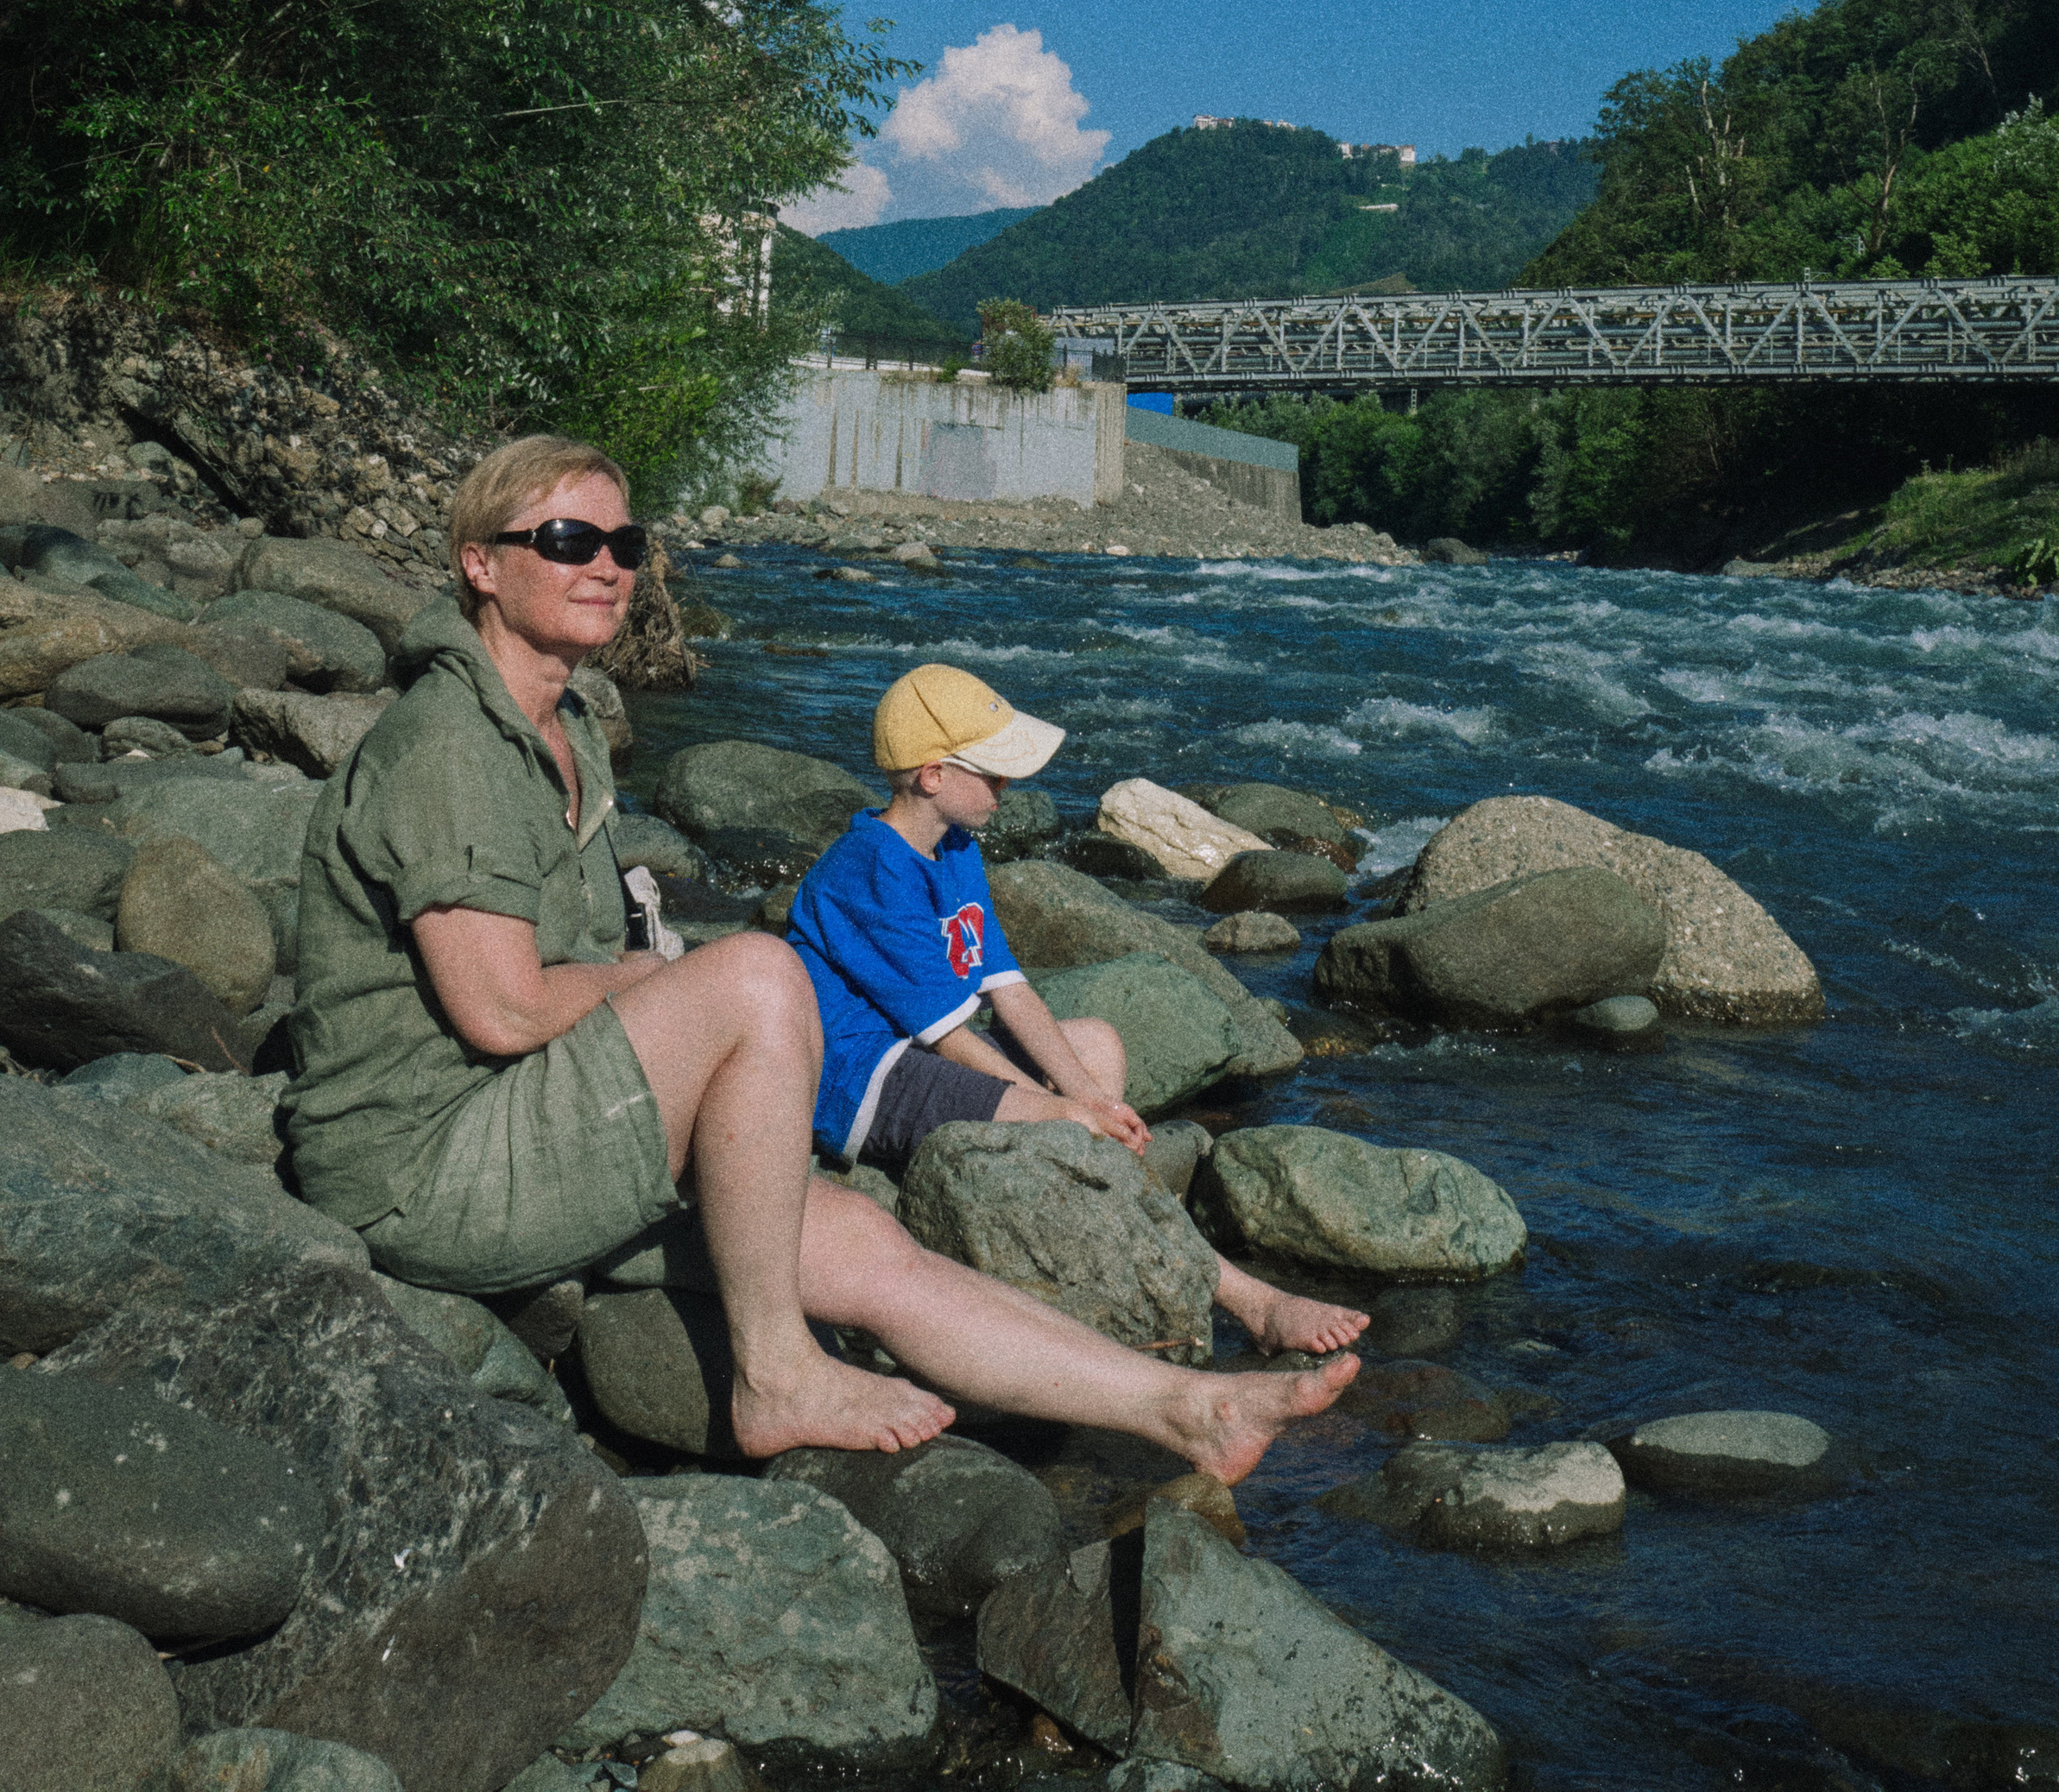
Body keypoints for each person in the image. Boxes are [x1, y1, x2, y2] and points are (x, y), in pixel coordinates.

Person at [281, 435, 1360, 1470]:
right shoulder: (452, 748)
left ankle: (1189, 1409)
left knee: (868, 1249)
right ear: (480, 564)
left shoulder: (555, 732)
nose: (608, 566)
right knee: (759, 973)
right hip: (429, 1170)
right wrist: (656, 984)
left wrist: (669, 1015)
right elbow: (504, 1011)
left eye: (625, 542)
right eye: (569, 541)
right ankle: (778, 1374)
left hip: (541, 1124)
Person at [788, 663, 1368, 1361]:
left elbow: (1008, 988)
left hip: (919, 1052)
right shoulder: (871, 869)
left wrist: (1090, 1098)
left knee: (1095, 1046)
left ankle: (1087, 1211)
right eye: (995, 775)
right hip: (861, 1079)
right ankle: (1252, 1301)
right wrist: (1060, 1112)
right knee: (1068, 1126)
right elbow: (948, 1038)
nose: (1008, 789)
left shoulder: (954, 848)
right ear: (934, 775)